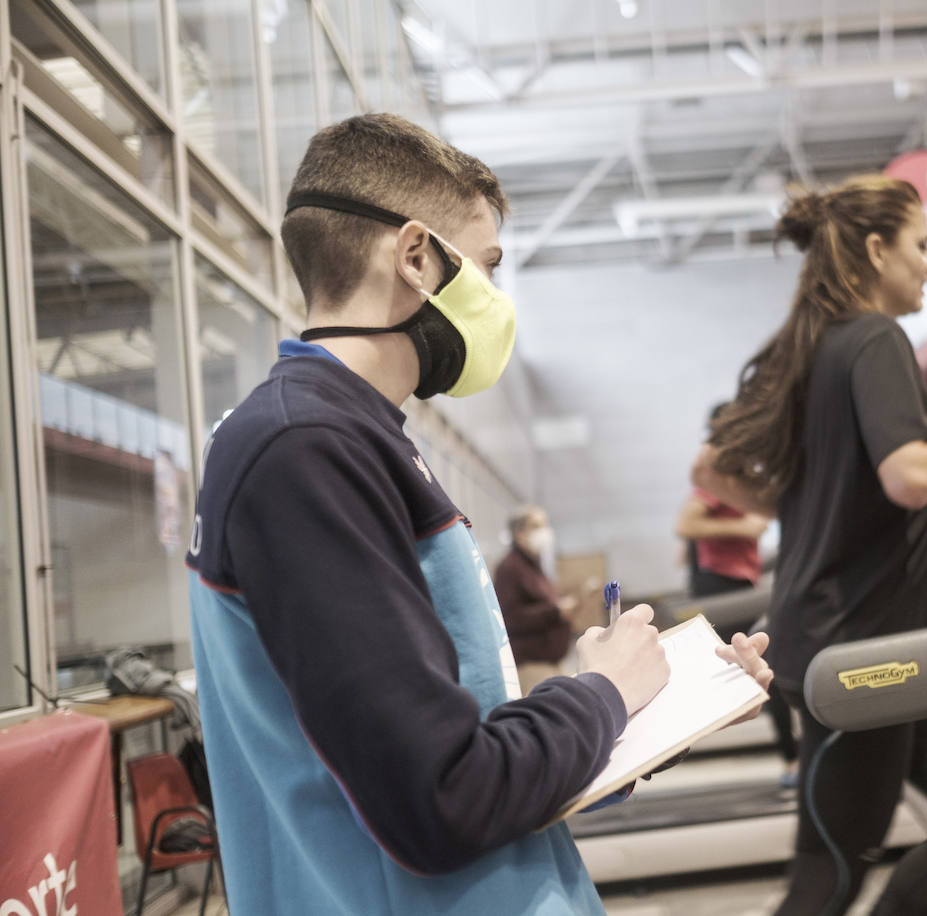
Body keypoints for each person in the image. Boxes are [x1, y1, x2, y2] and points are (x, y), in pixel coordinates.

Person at [185, 113, 773, 915]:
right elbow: (441, 799)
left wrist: (651, 705)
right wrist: (599, 694)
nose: (494, 300)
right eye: (487, 268)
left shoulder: (349, 438)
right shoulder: (304, 451)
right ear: (418, 257)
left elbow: (463, 754)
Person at [694, 174, 927, 916]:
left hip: (886, 652)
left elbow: (709, 466)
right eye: (921, 247)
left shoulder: (811, 346)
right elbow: (913, 476)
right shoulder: (874, 338)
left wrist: (813, 510)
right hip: (862, 662)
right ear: (878, 251)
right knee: (827, 877)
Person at [676, 404, 799, 785]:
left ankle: (793, 757)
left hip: (739, 582)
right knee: (767, 666)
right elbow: (687, 523)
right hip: (722, 585)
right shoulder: (717, 477)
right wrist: (744, 527)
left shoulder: (740, 476)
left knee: (764, 667)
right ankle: (793, 759)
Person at [495, 505, 579, 695]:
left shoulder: (532, 565)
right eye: (536, 526)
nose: (544, 531)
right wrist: (555, 611)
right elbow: (510, 618)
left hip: (550, 662)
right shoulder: (510, 568)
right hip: (532, 665)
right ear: (519, 533)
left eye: (545, 525)